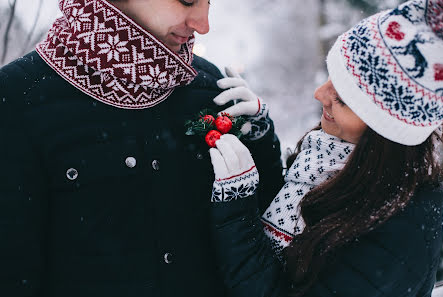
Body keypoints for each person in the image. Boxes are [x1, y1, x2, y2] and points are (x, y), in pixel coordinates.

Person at [0, 0, 283, 296]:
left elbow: (261, 238)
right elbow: (12, 271)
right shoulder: (16, 101)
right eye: (187, 1)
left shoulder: (211, 90)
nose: (203, 24)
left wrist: (259, 141)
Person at [208, 0, 443, 296]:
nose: (318, 93)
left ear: (383, 131)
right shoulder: (336, 158)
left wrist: (237, 209)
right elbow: (292, 215)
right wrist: (260, 138)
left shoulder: (396, 237)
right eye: (330, 78)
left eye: (343, 99)